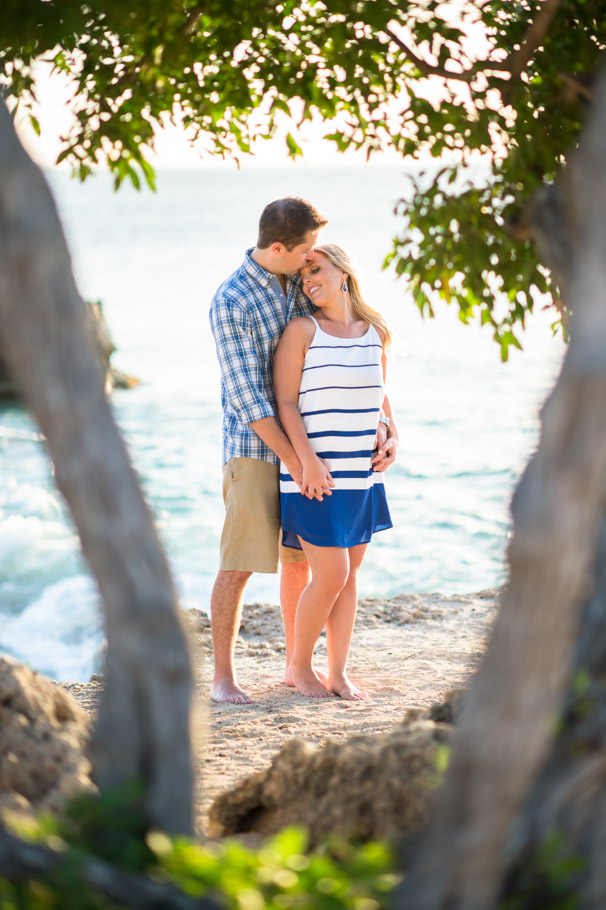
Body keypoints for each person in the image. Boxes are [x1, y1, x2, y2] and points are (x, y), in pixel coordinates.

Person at [209, 200, 397, 704]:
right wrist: (300, 461)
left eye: (318, 257)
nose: (311, 263)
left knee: (301, 565)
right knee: (239, 563)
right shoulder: (232, 300)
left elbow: (361, 377)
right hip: (256, 447)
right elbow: (252, 397)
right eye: (306, 254)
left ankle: (303, 667)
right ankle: (223, 678)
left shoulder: (298, 282)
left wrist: (387, 428)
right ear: (279, 249)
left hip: (324, 454)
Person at [273, 243, 397, 700]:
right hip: (314, 474)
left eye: (316, 269)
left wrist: (392, 435)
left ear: (343, 273)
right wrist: (305, 461)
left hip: (362, 475)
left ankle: (338, 672)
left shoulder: (376, 332)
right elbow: (286, 402)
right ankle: (299, 668)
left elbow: (381, 396)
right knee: (330, 574)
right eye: (304, 273)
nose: (307, 279)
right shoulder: (302, 330)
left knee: (348, 577)